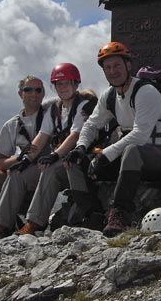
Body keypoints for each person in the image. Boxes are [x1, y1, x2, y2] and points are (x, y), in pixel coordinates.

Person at [64, 41, 161, 237]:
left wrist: (105, 155)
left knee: (132, 149)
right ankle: (92, 215)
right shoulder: (109, 95)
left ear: (128, 65)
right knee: (73, 162)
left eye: (117, 65)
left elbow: (141, 135)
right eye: (107, 67)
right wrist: (81, 147)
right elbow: (92, 124)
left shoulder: (145, 91)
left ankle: (119, 213)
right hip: (130, 157)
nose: (113, 71)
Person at [12, 63, 97, 236]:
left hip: (83, 157)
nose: (63, 87)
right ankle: (2, 224)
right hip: (64, 158)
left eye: (67, 83)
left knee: (50, 170)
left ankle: (34, 223)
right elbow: (42, 136)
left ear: (76, 84)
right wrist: (27, 159)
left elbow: (75, 135)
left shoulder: (84, 106)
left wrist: (54, 155)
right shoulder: (54, 109)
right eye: (59, 84)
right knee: (18, 174)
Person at [0, 75, 50, 245]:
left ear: (44, 93)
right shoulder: (11, 125)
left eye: (38, 90)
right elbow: (0, 163)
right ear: (20, 94)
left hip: (46, 166)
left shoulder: (52, 111)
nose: (34, 94)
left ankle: (0, 226)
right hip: (25, 168)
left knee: (17, 174)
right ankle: (12, 219)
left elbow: (78, 96)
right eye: (28, 90)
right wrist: (20, 157)